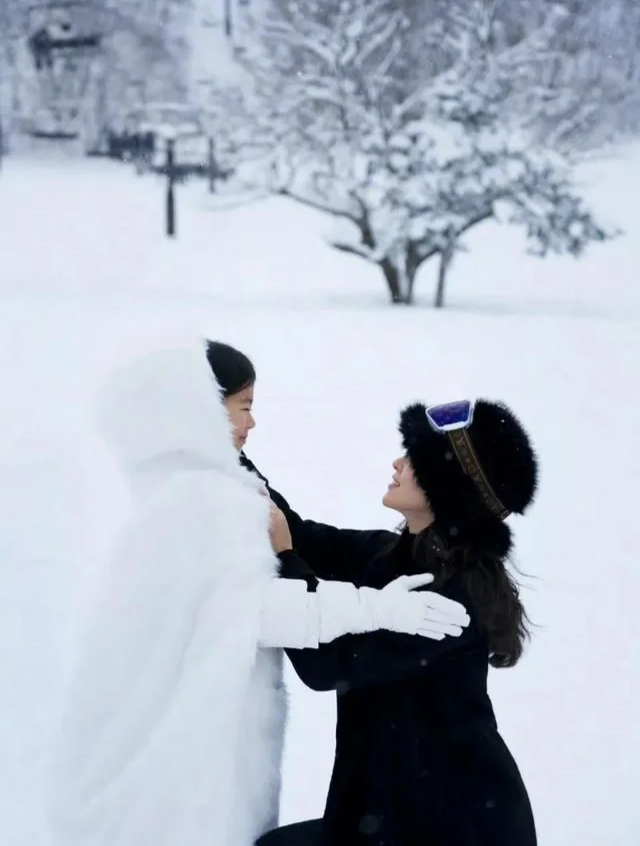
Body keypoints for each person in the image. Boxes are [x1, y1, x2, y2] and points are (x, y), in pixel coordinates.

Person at [46, 341, 469, 846]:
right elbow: (258, 608)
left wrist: (263, 512)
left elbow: (311, 608)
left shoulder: (184, 490)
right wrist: (376, 606)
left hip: (432, 818)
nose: (253, 423)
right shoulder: (209, 498)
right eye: (244, 407)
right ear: (202, 412)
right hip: (380, 803)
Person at [256, 397, 539, 846]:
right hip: (385, 818)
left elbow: (325, 664)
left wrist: (287, 560)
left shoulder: (450, 598)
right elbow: (301, 534)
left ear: (450, 490)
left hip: (450, 827)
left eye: (415, 458)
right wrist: (228, 454)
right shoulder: (393, 557)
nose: (397, 462)